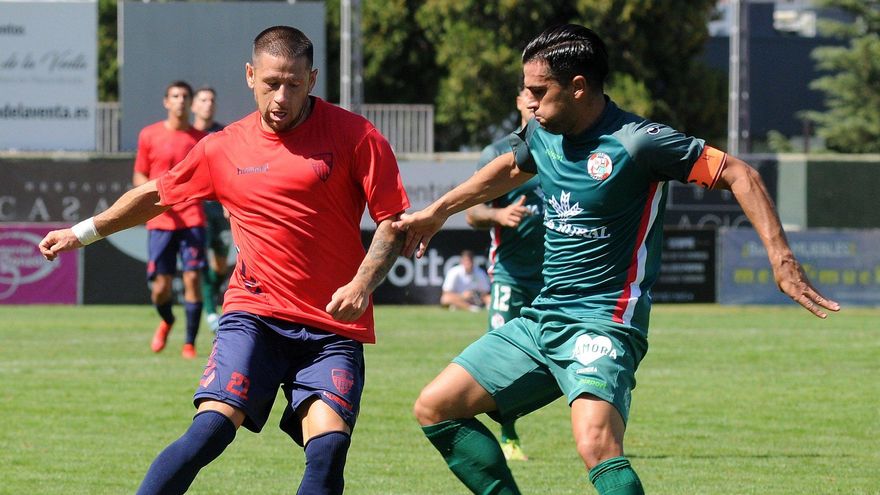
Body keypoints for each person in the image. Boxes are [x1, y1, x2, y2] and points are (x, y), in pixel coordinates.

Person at [393, 24, 840, 495]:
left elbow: (738, 173)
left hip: (604, 321)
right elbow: (509, 167)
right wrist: (438, 211)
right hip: (543, 317)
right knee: (436, 407)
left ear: (579, 87)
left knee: (596, 444)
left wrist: (781, 258)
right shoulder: (543, 131)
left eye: (538, 90)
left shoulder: (638, 142)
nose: (527, 100)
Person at [40, 25, 409, 495]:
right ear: (250, 75)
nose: (281, 96)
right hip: (254, 315)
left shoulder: (356, 136)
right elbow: (156, 195)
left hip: (332, 324)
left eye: (294, 84)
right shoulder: (223, 147)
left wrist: (361, 285)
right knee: (209, 432)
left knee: (328, 449)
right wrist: (81, 232)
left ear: (312, 80)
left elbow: (392, 221)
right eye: (272, 82)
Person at [464, 86, 543, 462]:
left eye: (541, 93)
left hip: (556, 277)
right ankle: (508, 435)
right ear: (517, 101)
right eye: (528, 93)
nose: (534, 100)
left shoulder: (566, 148)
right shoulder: (498, 152)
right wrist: (498, 215)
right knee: (500, 356)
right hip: (510, 274)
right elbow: (472, 213)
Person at [133, 80, 208, 359]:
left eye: (185, 96)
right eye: (175, 96)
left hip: (192, 217)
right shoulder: (149, 135)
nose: (180, 100)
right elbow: (139, 175)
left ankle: (189, 343)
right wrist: (156, 196)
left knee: (192, 278)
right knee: (161, 287)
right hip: (160, 221)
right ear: (166, 102)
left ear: (191, 102)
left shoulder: (201, 138)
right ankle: (167, 319)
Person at [191, 86, 230, 332]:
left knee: (220, 264)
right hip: (194, 209)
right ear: (194, 106)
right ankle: (209, 312)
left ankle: (211, 306)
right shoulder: (187, 135)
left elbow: (230, 171)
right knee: (198, 264)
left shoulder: (224, 134)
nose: (208, 104)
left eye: (212, 100)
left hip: (218, 208)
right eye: (203, 100)